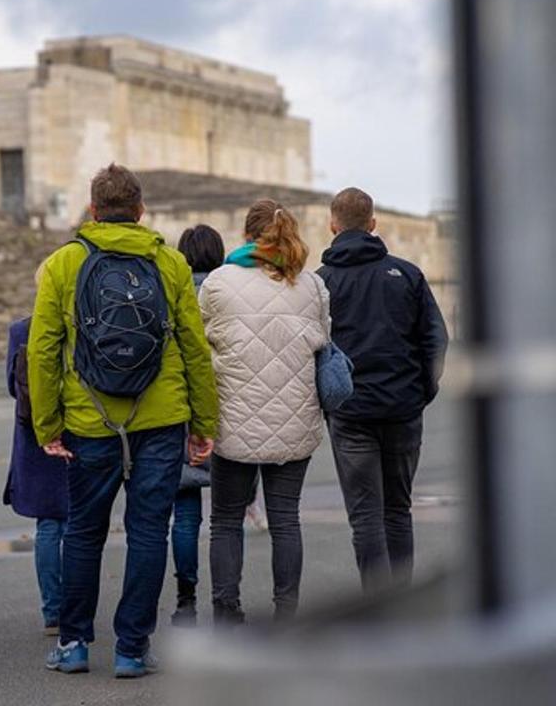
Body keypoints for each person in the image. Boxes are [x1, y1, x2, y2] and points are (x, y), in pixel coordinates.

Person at [29, 164, 219, 678]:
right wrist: (204, 422)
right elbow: (195, 349)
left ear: (93, 210)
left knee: (85, 533)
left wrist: (47, 426)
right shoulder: (171, 263)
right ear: (140, 211)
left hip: (90, 420)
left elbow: (43, 349)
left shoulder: (65, 263)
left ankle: (73, 645)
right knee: (148, 533)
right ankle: (132, 648)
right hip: (160, 419)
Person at [199, 202, 330, 624]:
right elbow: (323, 339)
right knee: (286, 519)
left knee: (225, 520)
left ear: (247, 233)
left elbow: (203, 346)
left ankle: (226, 612)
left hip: (233, 418)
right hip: (295, 418)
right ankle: (286, 614)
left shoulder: (219, 282)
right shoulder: (311, 286)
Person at [317, 187, 448, 592]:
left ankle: (378, 604)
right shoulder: (406, 274)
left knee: (365, 517)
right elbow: (436, 340)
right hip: (403, 408)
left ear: (332, 225)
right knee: (398, 510)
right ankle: (403, 599)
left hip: (351, 412)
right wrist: (422, 391)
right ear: (373, 224)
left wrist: (329, 402)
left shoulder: (320, 284)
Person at [2, 286, 68, 636]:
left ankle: (52, 610)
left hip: (34, 436)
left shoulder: (19, 330)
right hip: (75, 432)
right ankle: (75, 605)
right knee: (75, 526)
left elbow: (14, 387)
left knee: (47, 526)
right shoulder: (76, 325)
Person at [169, 225, 223, 626]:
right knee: (227, 517)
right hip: (229, 412)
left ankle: (186, 597)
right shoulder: (228, 291)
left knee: (185, 515)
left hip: (182, 413)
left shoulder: (172, 291)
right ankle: (227, 598)